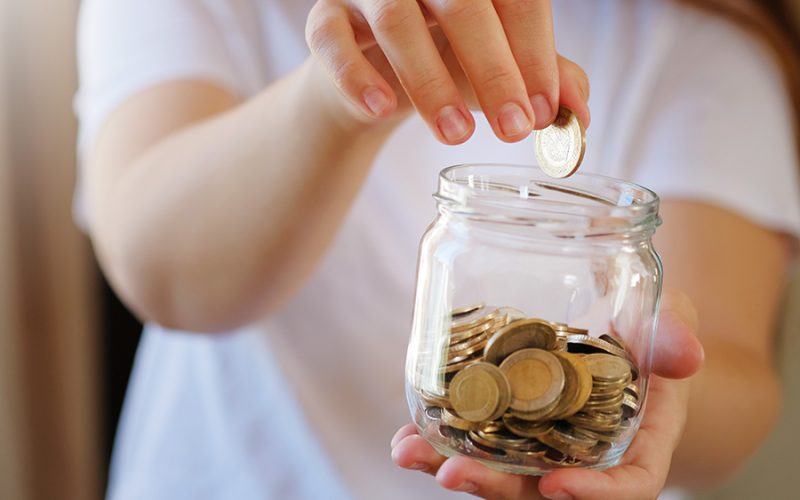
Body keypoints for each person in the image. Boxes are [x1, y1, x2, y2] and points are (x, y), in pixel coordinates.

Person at [75, 0, 799, 499]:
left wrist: (645, 389)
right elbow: (164, 276)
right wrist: (342, 97)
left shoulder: (702, 39)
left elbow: (736, 379)